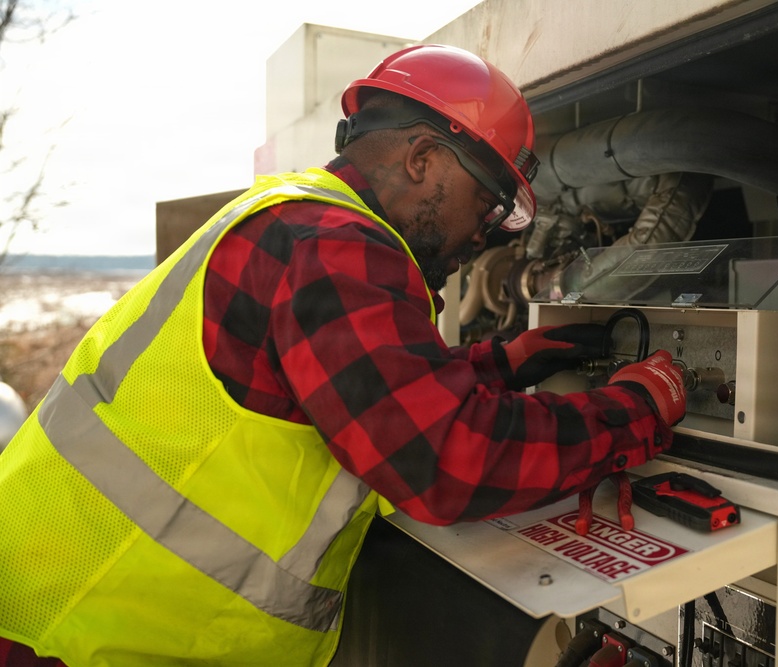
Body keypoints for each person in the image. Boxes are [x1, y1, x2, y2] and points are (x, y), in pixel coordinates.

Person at [0, 44, 686, 667]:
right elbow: (446, 458)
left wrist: (500, 365)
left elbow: (353, 393)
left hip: (67, 611)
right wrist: (638, 408)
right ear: (423, 159)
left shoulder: (295, 217)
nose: (483, 235)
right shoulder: (337, 246)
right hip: (76, 637)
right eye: (485, 203)